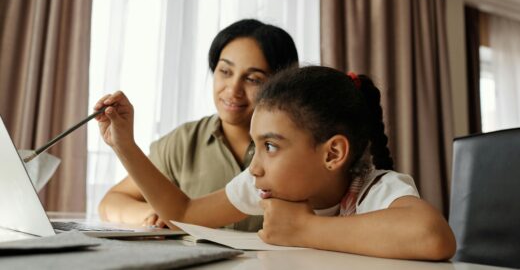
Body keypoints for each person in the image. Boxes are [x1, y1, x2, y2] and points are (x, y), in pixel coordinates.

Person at [95, 66, 456, 260]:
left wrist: (303, 229)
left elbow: (432, 236)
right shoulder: (263, 185)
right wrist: (124, 145)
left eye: (270, 146)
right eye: (256, 146)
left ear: (332, 154)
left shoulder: (376, 189)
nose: (254, 166)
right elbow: (185, 211)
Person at [97, 19, 299, 231]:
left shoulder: (294, 149)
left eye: (253, 79)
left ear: (280, 84)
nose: (233, 90)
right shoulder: (184, 142)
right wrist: (153, 213)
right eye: (225, 72)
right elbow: (111, 202)